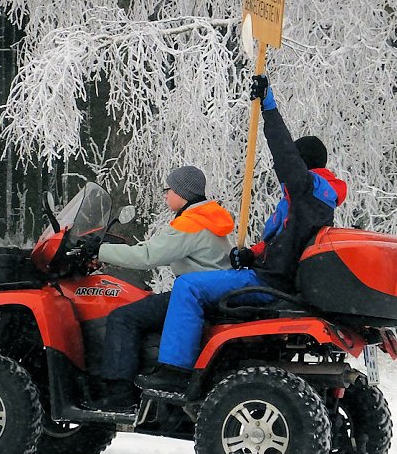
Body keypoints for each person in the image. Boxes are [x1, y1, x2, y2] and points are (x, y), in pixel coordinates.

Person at [138, 76, 347, 393]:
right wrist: (252, 254)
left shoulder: (305, 190)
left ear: (302, 166)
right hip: (278, 276)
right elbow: (286, 242)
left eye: (290, 168)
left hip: (270, 284)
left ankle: (175, 370)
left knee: (188, 287)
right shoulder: (316, 202)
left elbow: (284, 153)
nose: (281, 174)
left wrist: (269, 107)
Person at [89, 166, 235, 410]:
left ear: (182, 192)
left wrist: (98, 249)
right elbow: (162, 248)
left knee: (123, 317)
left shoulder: (192, 224)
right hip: (210, 294)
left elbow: (148, 256)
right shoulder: (208, 218)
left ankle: (119, 393)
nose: (166, 195)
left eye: (168, 190)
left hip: (194, 297)